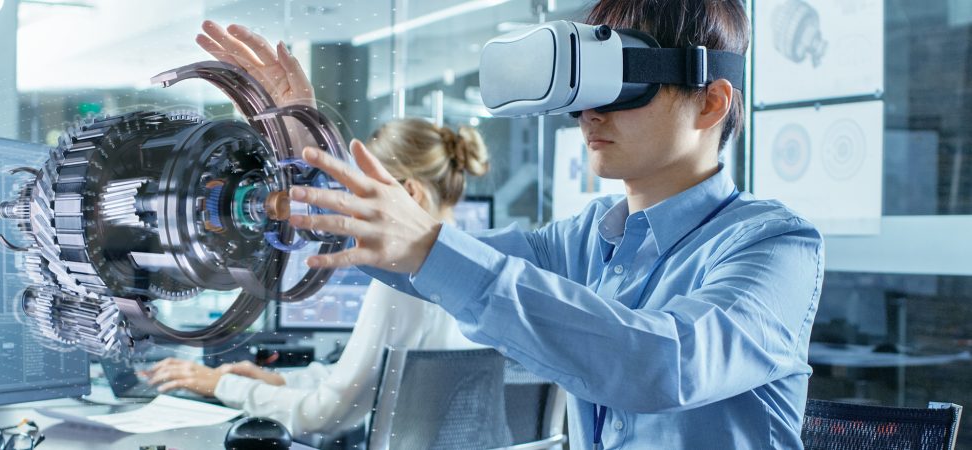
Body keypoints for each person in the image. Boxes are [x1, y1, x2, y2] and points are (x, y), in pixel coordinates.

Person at [275, 0, 825, 449]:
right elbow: (418, 265)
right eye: (586, 87)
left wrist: (429, 247)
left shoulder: (775, 246)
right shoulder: (584, 241)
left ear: (710, 104)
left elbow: (664, 364)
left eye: (621, 81)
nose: (590, 112)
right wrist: (311, 172)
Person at [143, 21, 492, 438]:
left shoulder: (407, 281)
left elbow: (323, 415)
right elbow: (363, 384)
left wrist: (221, 384)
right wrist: (277, 380)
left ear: (410, 193)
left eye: (364, 191)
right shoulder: (480, 270)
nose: (352, 206)